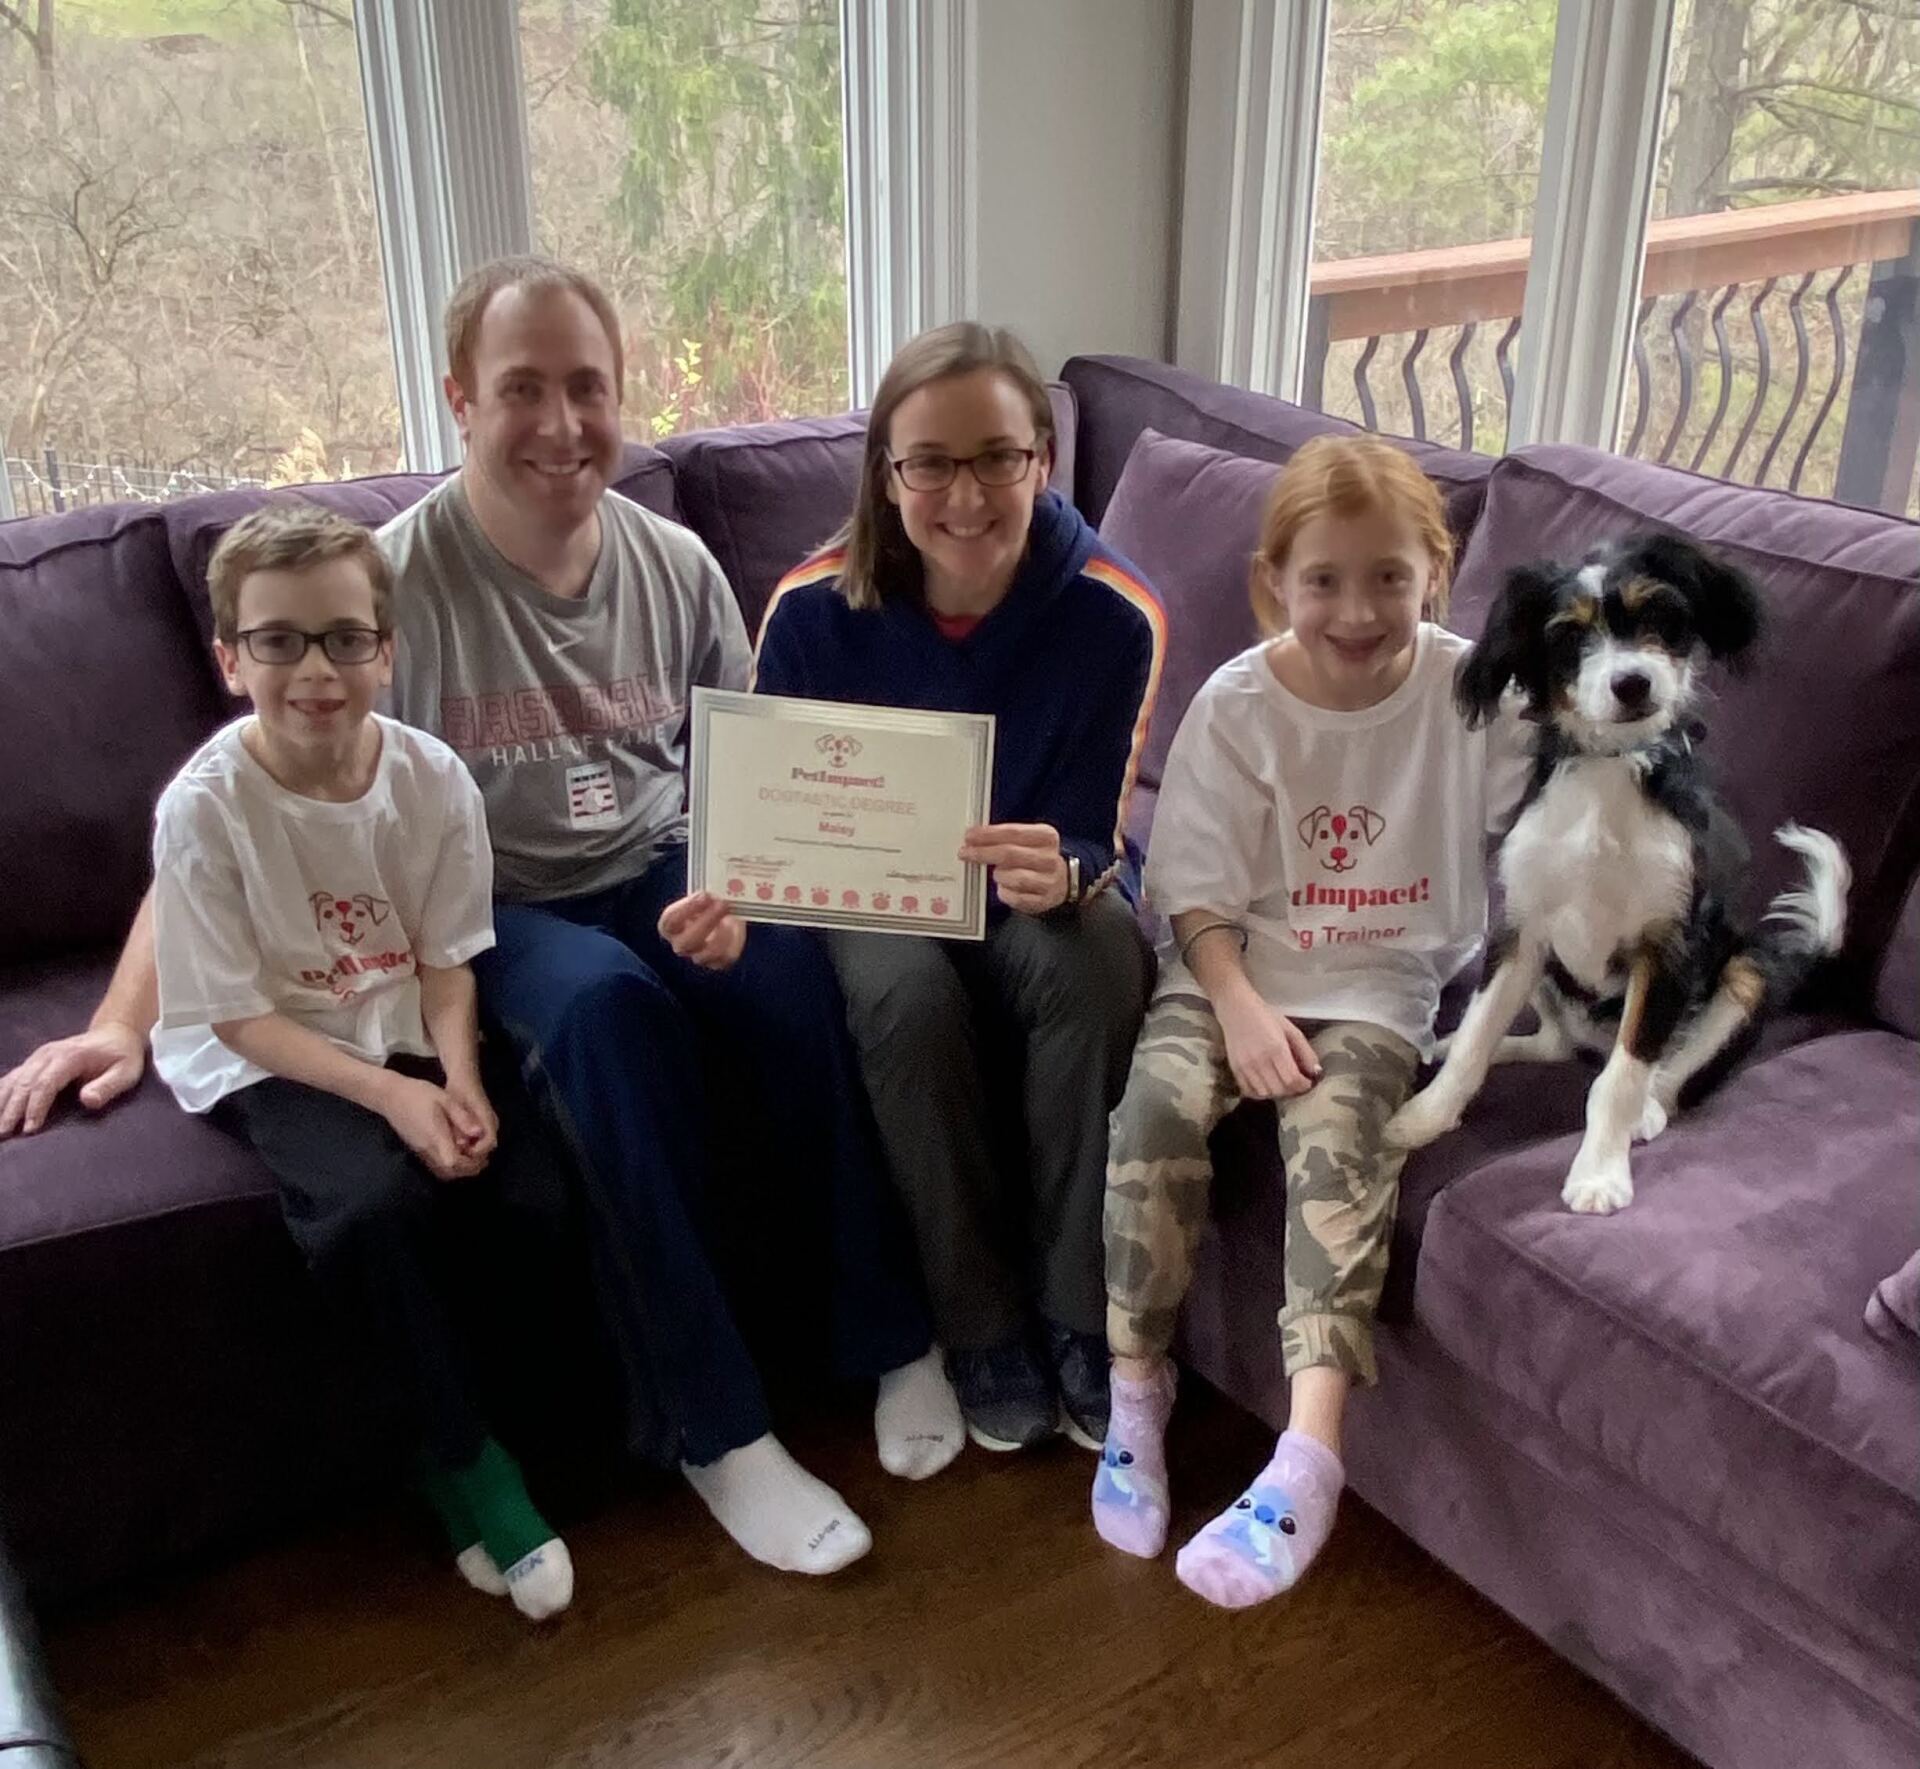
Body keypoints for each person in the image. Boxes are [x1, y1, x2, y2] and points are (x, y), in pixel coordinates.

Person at [0, 255, 961, 1575]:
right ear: (459, 397)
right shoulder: (390, 595)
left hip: (664, 866)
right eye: (523, 388)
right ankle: (717, 1430)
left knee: (799, 973)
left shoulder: (673, 565)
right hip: (488, 911)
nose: (561, 424)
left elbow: (757, 774)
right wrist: (120, 1022)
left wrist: (751, 891)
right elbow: (236, 821)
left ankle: (889, 1336)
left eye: (588, 387)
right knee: (606, 1019)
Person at [666, 323, 1163, 1455]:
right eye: (928, 461)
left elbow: (1103, 824)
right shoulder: (809, 607)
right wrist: (737, 890)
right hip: (877, 903)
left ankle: (1082, 1315)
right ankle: (978, 1321)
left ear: (1044, 455)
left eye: (997, 456)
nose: (966, 493)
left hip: (1027, 893)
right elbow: (765, 806)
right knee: (901, 997)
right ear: (886, 476)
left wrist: (1075, 864)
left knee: (1099, 965)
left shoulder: (1112, 611)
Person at [1092, 435, 1527, 1608]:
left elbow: (1560, 801)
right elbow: (1190, 896)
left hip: (1382, 984)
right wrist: (1235, 1010)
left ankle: (1311, 1452)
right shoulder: (1239, 706)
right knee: (1155, 1114)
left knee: (1343, 1148)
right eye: (1324, 577)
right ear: (1272, 581)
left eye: (1390, 575)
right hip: (1229, 967)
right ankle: (1136, 1395)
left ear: (1436, 573)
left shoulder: (1474, 692)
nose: (1358, 607)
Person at [151, 506, 574, 1621]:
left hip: (395, 1008)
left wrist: (462, 1080)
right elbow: (235, 1013)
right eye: (279, 640)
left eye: (345, 637)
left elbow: (444, 961)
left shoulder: (433, 778)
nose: (316, 670)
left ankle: (492, 1427)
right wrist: (392, 1093)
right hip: (267, 1041)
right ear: (230, 659)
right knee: (370, 1203)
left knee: (519, 1178)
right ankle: (464, 1459)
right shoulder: (201, 812)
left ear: (387, 649)